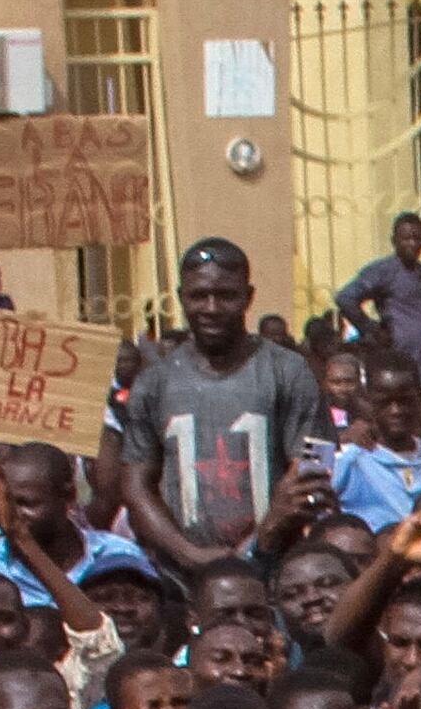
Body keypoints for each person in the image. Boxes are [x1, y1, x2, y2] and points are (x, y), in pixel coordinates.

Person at [114, 239, 328, 591]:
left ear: (248, 296)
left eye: (226, 296)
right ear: (182, 297)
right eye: (199, 296)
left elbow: (312, 472)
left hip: (275, 570)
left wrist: (262, 539)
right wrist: (187, 554)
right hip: (182, 579)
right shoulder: (155, 381)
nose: (211, 308)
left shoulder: (289, 371)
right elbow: (136, 485)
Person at [333, 212, 421, 395]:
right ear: (394, 240)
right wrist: (371, 329)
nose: (412, 243)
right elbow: (345, 298)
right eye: (406, 238)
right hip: (402, 362)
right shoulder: (383, 271)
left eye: (417, 238)